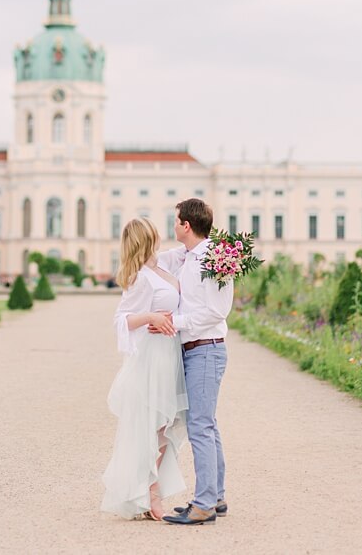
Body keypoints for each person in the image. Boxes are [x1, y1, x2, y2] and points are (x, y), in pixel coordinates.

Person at [100, 216, 189, 521]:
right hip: (153, 357)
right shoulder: (140, 277)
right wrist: (151, 316)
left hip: (170, 353)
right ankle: (149, 494)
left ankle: (151, 490)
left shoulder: (162, 268)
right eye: (154, 232)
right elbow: (121, 318)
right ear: (146, 238)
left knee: (165, 424)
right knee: (153, 425)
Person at [155, 198, 233, 526]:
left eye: (175, 221)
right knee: (206, 423)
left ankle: (203, 504)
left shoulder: (215, 259)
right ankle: (215, 496)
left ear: (186, 225)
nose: (173, 226)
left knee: (200, 425)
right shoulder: (188, 256)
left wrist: (175, 320)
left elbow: (217, 311)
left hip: (205, 348)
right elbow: (153, 260)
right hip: (197, 349)